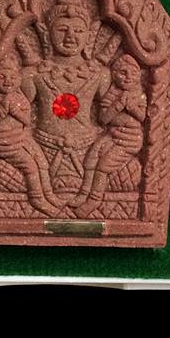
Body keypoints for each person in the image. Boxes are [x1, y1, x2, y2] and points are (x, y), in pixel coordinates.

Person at [20, 0, 143, 201]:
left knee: (132, 173)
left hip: (89, 150)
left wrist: (127, 132)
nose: (70, 36)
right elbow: (20, 117)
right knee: (0, 172)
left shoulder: (100, 75)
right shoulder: (33, 74)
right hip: (44, 151)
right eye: (62, 29)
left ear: (89, 35)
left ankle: (92, 196)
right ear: (46, 34)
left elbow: (111, 116)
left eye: (78, 31)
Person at [70, 53, 146, 217]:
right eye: (123, 72)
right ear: (114, 74)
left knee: (103, 165)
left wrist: (131, 106)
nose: (128, 77)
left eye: (133, 73)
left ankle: (94, 200)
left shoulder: (138, 95)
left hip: (130, 139)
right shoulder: (111, 95)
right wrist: (118, 105)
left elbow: (142, 117)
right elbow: (103, 119)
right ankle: (84, 193)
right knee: (91, 157)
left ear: (139, 75)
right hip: (112, 135)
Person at [0, 57, 61, 215]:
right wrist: (3, 108)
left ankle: (48, 194)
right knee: (30, 166)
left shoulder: (20, 99)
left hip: (22, 137)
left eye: (12, 77)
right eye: (2, 77)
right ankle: (37, 199)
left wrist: (15, 110)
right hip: (3, 142)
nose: (7, 81)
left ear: (19, 80)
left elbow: (27, 120)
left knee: (41, 161)